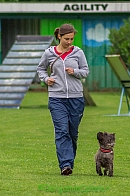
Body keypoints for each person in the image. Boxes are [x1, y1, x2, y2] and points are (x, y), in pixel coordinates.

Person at [37, 23, 89, 176]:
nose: (69, 42)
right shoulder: (49, 53)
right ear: (59, 36)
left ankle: (69, 161)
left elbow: (85, 71)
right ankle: (65, 165)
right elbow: (40, 69)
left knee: (72, 133)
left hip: (76, 98)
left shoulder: (78, 53)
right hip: (56, 98)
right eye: (67, 39)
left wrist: (75, 72)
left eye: (72, 39)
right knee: (61, 131)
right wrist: (46, 79)